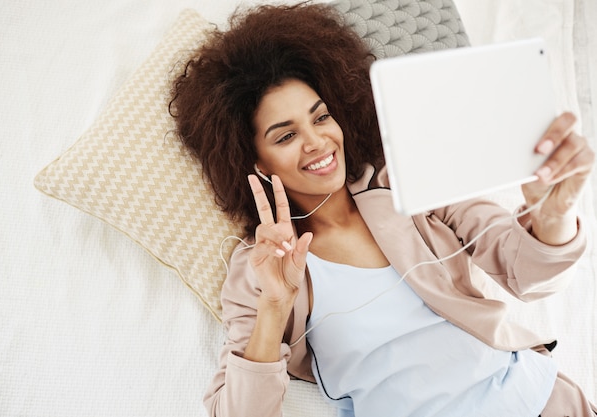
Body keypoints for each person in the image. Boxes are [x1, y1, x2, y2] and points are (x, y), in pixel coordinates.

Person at [169, 2, 596, 416]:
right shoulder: (259, 269)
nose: (317, 142)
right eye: (285, 136)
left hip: (538, 401)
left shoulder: (408, 180)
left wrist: (553, 215)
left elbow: (531, 277)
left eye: (320, 118)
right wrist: (275, 307)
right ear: (256, 161)